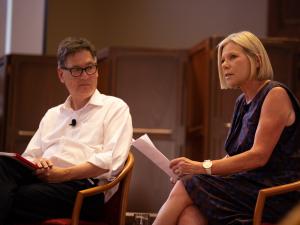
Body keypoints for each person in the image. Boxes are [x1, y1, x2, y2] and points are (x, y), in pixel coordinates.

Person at [153, 31, 300, 225]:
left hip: (276, 192)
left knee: (187, 185)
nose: (225, 65)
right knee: (189, 213)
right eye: (222, 60)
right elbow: (233, 156)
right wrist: (198, 170)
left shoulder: (275, 94)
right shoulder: (242, 102)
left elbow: (258, 156)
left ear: (256, 60)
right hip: (247, 187)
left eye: (233, 57)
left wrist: (201, 167)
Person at [0, 37, 132, 224]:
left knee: (15, 197)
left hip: (85, 191)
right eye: (77, 70)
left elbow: (111, 161)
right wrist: (39, 161)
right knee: (4, 167)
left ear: (97, 70)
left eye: (89, 67)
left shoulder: (114, 108)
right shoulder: (52, 114)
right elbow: (29, 156)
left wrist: (64, 174)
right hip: (44, 182)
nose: (85, 75)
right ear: (61, 75)